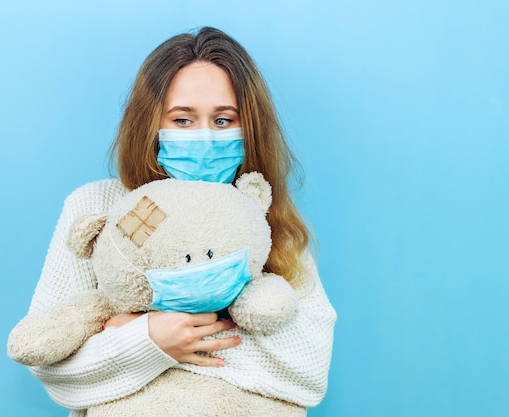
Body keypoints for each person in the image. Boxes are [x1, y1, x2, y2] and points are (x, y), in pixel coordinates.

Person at [17, 26, 336, 417]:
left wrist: (139, 336)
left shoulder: (266, 218)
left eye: (223, 120)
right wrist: (149, 340)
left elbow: (309, 369)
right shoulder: (101, 207)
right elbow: (50, 364)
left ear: (249, 127)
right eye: (183, 120)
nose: (203, 137)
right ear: (150, 125)